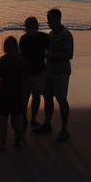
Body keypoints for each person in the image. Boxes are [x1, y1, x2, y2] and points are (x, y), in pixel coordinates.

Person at [33, 8, 74, 142]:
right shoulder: (50, 34)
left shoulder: (66, 35)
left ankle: (64, 129)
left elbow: (69, 55)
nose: (48, 23)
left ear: (57, 19)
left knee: (61, 99)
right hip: (49, 70)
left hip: (61, 71)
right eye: (48, 20)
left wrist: (50, 55)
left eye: (50, 20)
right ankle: (47, 123)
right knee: (47, 97)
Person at [0, 35, 27, 149]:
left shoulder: (3, 60)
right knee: (16, 119)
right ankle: (18, 141)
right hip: (18, 92)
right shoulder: (22, 60)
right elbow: (25, 75)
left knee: (3, 118)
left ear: (5, 48)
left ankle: (3, 144)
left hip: (4, 92)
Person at [19, 16, 51, 131]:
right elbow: (21, 57)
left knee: (36, 98)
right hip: (26, 74)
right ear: (25, 28)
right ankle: (24, 118)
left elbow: (50, 50)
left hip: (39, 72)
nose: (31, 30)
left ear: (37, 27)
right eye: (29, 28)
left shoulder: (44, 37)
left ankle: (32, 118)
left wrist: (46, 59)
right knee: (24, 98)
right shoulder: (23, 39)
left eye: (33, 28)